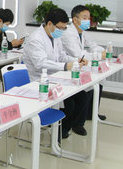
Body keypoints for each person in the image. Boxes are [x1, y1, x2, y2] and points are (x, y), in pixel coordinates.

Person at [21, 8, 91, 139]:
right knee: (70, 104)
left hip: (55, 77)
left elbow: (62, 56)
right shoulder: (36, 38)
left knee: (83, 98)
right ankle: (59, 131)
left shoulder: (55, 36)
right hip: (39, 80)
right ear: (49, 24)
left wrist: (75, 61)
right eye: (60, 28)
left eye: (64, 28)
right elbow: (40, 63)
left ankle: (64, 128)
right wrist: (65, 66)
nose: (62, 31)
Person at [62, 5, 107, 122]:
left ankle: (91, 113)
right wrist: (99, 56)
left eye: (88, 18)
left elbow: (93, 45)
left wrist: (104, 51)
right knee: (89, 87)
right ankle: (79, 121)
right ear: (75, 20)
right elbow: (78, 54)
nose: (88, 20)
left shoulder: (82, 32)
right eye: (84, 18)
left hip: (80, 65)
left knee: (99, 81)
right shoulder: (68, 33)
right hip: (68, 68)